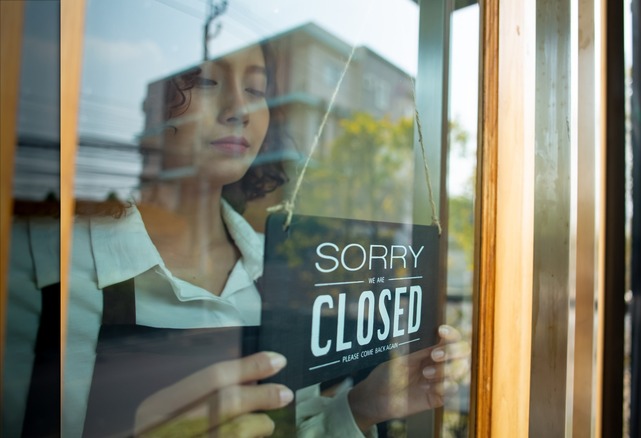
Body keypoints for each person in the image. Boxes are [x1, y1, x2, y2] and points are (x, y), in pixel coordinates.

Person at [3, 39, 467, 437]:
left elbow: (292, 426)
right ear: (146, 102)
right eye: (206, 81)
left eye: (256, 89)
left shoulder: (277, 274)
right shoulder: (36, 258)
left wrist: (362, 406)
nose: (239, 110)